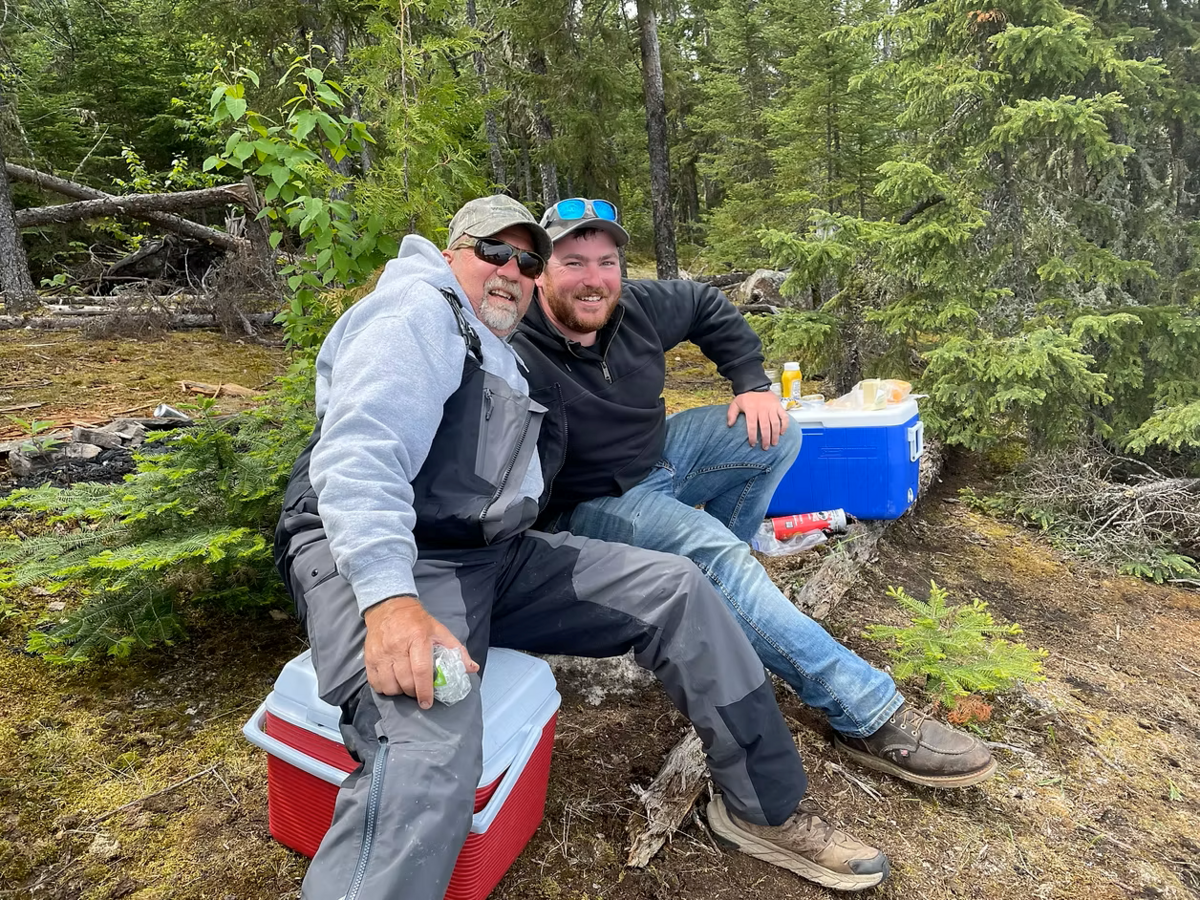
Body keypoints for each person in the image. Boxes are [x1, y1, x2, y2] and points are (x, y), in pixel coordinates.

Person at [273, 195, 891, 900]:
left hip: (488, 554)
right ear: (449, 254)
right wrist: (388, 602)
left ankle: (763, 807)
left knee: (679, 589)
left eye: (525, 259)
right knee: (428, 751)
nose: (510, 269)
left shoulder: (504, 345)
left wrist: (746, 385)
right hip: (380, 559)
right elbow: (359, 456)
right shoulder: (416, 313)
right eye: (493, 251)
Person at [512, 197, 997, 797]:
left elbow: (706, 305)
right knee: (712, 550)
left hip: (657, 458)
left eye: (606, 262)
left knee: (775, 432)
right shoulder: (514, 342)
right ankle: (867, 712)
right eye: (572, 262)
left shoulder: (634, 306)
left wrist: (751, 382)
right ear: (540, 271)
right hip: (590, 501)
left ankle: (734, 602)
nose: (593, 279)